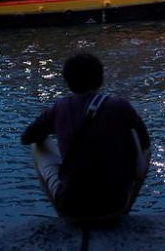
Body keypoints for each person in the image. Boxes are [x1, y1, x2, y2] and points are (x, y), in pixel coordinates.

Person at [21, 53, 150, 222]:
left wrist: (59, 128)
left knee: (38, 143)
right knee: (146, 150)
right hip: (114, 203)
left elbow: (27, 137)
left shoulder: (59, 107)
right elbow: (145, 141)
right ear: (100, 79)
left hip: (71, 205)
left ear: (68, 82)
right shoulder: (120, 105)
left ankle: (64, 214)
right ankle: (124, 209)